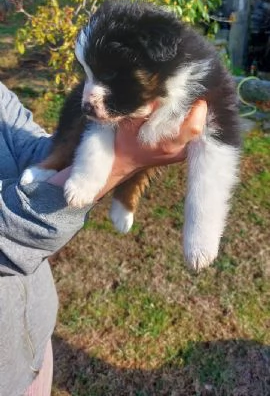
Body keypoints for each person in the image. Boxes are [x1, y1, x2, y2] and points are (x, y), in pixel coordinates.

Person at [0, 81, 207, 396]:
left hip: (34, 342)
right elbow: (10, 231)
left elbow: (35, 149)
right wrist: (123, 160)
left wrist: (116, 126)